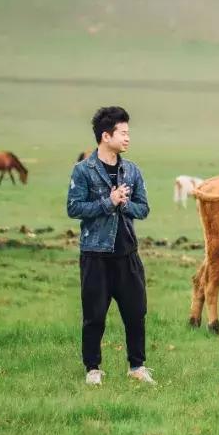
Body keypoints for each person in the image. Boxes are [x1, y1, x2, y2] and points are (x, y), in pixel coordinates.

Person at [67, 106, 154, 386]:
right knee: (94, 316)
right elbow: (74, 207)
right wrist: (109, 202)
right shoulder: (83, 170)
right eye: (123, 132)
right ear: (106, 136)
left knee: (136, 312)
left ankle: (137, 367)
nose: (128, 137)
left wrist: (124, 204)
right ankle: (93, 369)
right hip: (95, 255)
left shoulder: (132, 171)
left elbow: (143, 209)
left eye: (128, 132)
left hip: (127, 254)